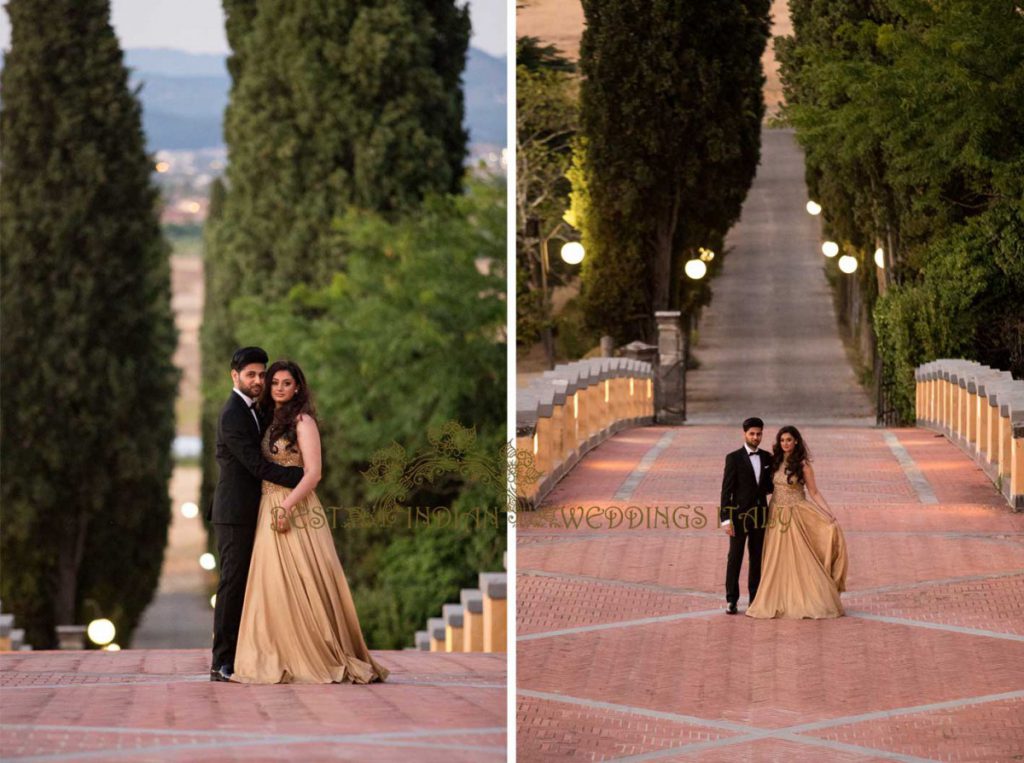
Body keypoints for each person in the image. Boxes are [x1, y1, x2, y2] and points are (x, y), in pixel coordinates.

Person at [230, 359, 389, 684]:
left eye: (286, 383)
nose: (279, 388)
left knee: (305, 580)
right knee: (273, 585)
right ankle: (280, 651)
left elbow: (314, 473)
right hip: (268, 506)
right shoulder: (268, 420)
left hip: (295, 507)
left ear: (298, 386)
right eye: (274, 382)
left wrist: (286, 506)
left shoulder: (304, 422)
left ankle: (319, 650)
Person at [208, 347, 305, 682]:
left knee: (256, 585)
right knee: (232, 585)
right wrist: (300, 477)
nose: (258, 380)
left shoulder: (257, 410)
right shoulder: (232, 414)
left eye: (261, 374)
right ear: (235, 376)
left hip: (259, 509)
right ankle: (221, 662)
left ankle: (250, 654)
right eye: (251, 374)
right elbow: (256, 465)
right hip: (234, 513)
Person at [746, 425, 848, 619]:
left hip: (796, 514)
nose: (785, 443)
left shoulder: (803, 465)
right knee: (776, 559)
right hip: (776, 515)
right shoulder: (774, 461)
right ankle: (777, 598)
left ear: (796, 442)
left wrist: (829, 513)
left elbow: (814, 492)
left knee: (801, 558)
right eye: (782, 440)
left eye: (789, 440)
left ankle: (809, 599)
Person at [720, 417, 775, 614]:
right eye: (752, 434)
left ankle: (755, 599)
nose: (756, 437)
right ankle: (731, 599)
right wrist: (725, 519)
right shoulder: (733, 458)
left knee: (757, 558)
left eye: (759, 434)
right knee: (734, 557)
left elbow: (769, 486)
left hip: (760, 515)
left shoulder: (768, 458)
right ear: (744, 434)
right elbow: (726, 491)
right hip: (738, 517)